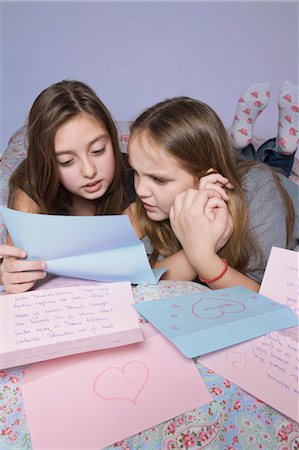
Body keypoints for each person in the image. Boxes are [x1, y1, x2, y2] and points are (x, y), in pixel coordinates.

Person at [126, 96, 296, 292]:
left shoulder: (259, 187)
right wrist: (199, 249)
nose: (140, 190)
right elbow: (143, 281)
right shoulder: (151, 207)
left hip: (271, 186)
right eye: (136, 173)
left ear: (207, 178)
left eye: (159, 180)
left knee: (271, 164)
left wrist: (203, 258)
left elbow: (267, 296)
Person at [0, 79, 134, 293]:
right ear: (48, 163)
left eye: (98, 150)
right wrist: (7, 273)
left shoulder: (136, 175)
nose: (89, 171)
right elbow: (13, 265)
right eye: (66, 161)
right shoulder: (31, 188)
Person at [228, 80, 299, 178]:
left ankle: (234, 145)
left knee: (236, 169)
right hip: (273, 188)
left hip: (241, 184)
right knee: (277, 177)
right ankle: (285, 152)